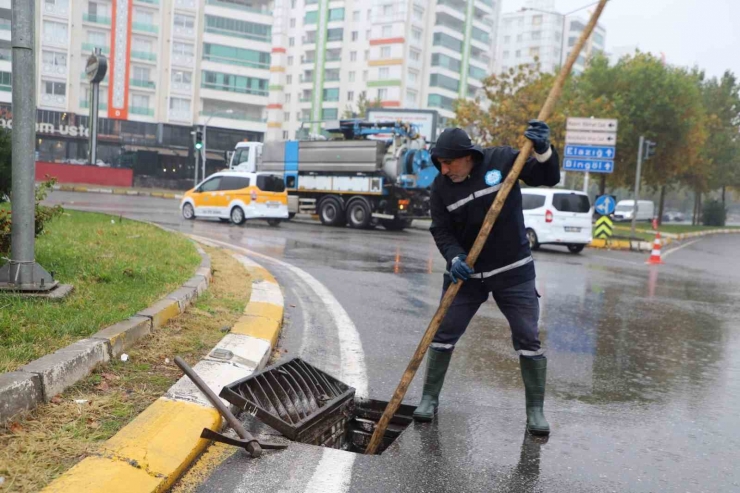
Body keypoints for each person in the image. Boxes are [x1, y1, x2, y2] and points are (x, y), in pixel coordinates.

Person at [412, 121, 560, 436]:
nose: (443, 169)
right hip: (468, 275)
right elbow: (440, 229)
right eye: (439, 163)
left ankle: (535, 411)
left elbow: (548, 178)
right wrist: (454, 258)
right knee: (442, 332)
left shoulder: (503, 161)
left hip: (513, 271)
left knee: (527, 337)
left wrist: (544, 150)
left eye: (448, 162)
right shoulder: (441, 187)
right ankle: (428, 398)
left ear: (468, 156)